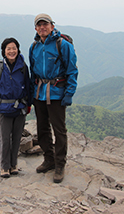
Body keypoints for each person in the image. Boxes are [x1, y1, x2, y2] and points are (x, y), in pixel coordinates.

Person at [29, 13, 78, 183]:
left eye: (45, 24)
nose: (42, 27)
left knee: (59, 129)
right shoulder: (34, 46)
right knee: (42, 128)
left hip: (57, 92)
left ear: (52, 26)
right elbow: (32, 72)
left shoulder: (62, 44)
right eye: (39, 25)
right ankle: (49, 159)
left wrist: (69, 93)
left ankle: (60, 164)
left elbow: (72, 70)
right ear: (36, 28)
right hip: (39, 93)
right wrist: (31, 94)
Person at [0, 37, 31, 178]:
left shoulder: (22, 67)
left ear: (18, 50)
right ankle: (4, 167)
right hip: (4, 108)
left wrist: (29, 104)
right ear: (4, 51)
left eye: (14, 48)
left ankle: (13, 165)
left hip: (20, 108)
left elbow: (28, 86)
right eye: (8, 48)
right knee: (5, 139)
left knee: (16, 138)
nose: (11, 51)